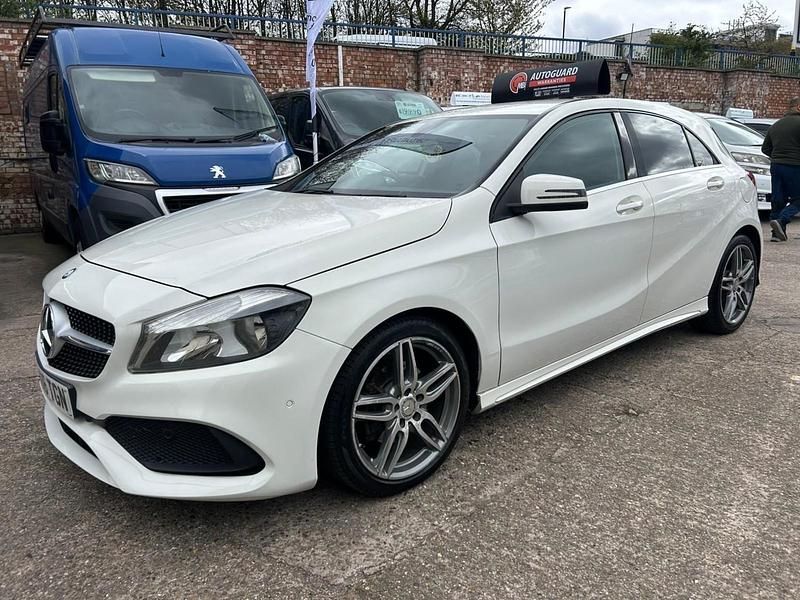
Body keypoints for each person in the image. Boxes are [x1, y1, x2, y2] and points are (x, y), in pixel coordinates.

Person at [762, 97, 800, 242]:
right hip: (796, 166)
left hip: (776, 166)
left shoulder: (775, 125)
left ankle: (776, 234)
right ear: (798, 107)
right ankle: (782, 220)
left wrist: (778, 157)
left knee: (778, 199)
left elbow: (765, 148)